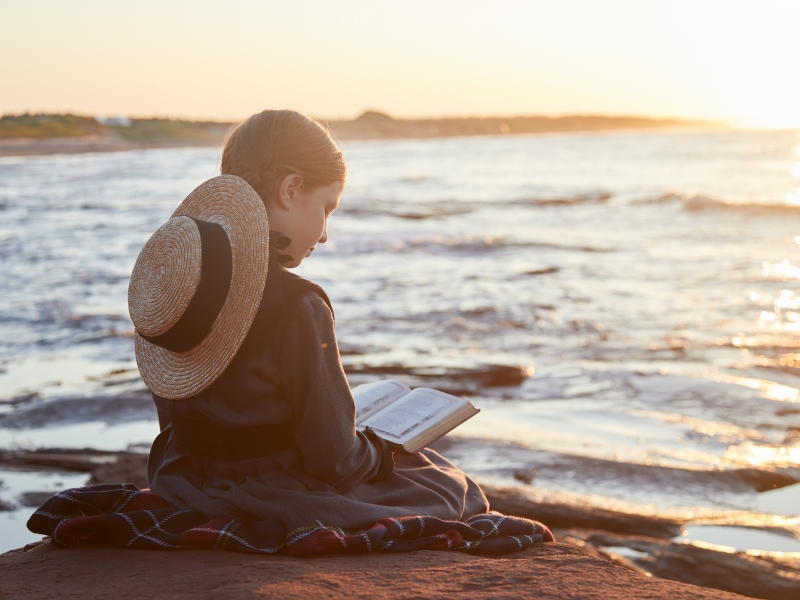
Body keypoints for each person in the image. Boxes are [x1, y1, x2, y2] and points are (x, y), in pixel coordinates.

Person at [133, 109, 489, 530]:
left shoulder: (175, 286)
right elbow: (332, 457)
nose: (324, 234)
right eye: (327, 208)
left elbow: (174, 417)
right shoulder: (298, 305)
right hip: (274, 492)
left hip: (185, 482)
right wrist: (379, 451)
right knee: (450, 485)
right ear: (291, 189)